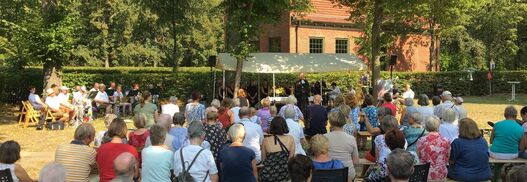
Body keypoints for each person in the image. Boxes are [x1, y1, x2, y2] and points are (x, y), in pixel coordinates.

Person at [366, 116, 406, 181]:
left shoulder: (379, 138)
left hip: (385, 170)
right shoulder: (402, 137)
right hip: (400, 168)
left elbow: (377, 158)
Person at [325, 111, 360, 180]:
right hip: (347, 174)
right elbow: (356, 161)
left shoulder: (324, 138)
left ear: (330, 122)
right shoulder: (351, 139)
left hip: (328, 174)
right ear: (344, 122)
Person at [259, 117, 295, 181]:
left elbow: (263, 160)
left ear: (272, 126)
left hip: (268, 175)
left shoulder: (265, 140)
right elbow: (290, 160)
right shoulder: (290, 139)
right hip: (284, 175)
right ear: (284, 126)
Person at [417, 116, 450, 180]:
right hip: (441, 173)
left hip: (424, 173)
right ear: (438, 126)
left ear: (426, 126)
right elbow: (447, 158)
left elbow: (419, 157)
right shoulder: (446, 141)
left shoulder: (421, 140)